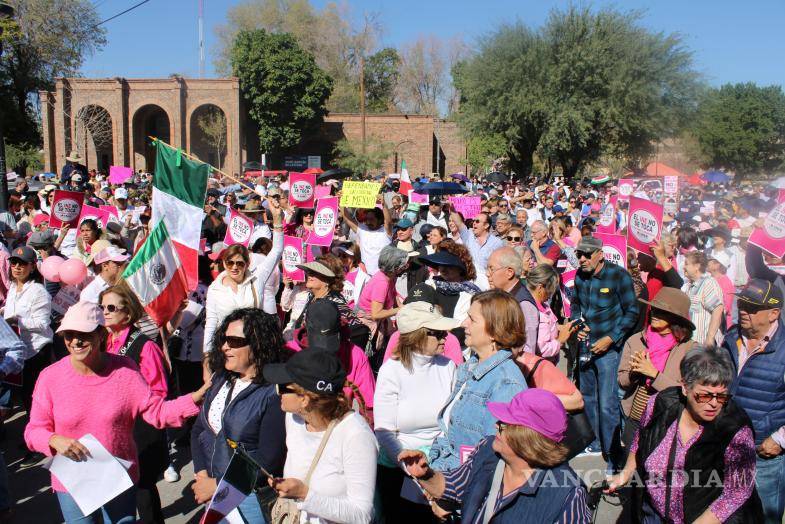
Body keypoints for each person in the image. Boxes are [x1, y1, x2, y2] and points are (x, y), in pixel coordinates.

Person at [24, 302, 209, 524]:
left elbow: (156, 412)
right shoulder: (50, 377)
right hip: (72, 482)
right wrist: (54, 440)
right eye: (69, 335)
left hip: (117, 478)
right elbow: (34, 431)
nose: (75, 341)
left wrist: (195, 398)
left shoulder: (125, 370)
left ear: (101, 334)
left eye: (83, 333)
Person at [607, 347, 763, 523]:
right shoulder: (660, 403)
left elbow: (737, 492)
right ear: (684, 387)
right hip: (653, 514)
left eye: (721, 397)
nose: (713, 404)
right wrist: (626, 473)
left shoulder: (735, 428)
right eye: (704, 396)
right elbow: (641, 439)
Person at [400, 389, 590, 523]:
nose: (495, 426)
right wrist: (425, 474)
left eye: (503, 424)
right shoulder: (488, 450)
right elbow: (456, 486)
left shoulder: (567, 494)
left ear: (527, 439)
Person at [191, 308, 286, 522]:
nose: (225, 347)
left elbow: (267, 460)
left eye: (234, 341)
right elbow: (199, 429)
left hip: (248, 497)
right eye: (224, 339)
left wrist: (217, 486)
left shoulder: (273, 392)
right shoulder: (221, 378)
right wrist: (202, 474)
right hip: (212, 488)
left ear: (258, 344)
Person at [264, 350, 378, 524]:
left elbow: (362, 515)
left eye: (282, 387)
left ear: (304, 399)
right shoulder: (294, 418)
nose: (277, 392)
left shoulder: (356, 435)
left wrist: (305, 494)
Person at [374, 301, 458, 522]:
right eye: (438, 333)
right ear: (417, 336)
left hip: (441, 465)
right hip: (400, 469)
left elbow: (452, 423)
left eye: (444, 332)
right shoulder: (392, 371)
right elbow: (383, 431)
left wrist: (435, 472)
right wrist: (411, 468)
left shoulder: (448, 367)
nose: (445, 337)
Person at [429, 290, 528, 470]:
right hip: (447, 472)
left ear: (493, 330)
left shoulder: (506, 383)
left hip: (467, 483)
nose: (464, 324)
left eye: (472, 320)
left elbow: (494, 456)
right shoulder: (469, 367)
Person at [99, 284, 171, 522]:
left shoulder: (145, 346)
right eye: (102, 307)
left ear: (127, 313)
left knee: (142, 488)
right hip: (113, 426)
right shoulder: (104, 342)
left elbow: (159, 391)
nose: (105, 312)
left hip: (141, 428)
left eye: (111, 307)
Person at [570, 236, 638, 469]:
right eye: (579, 254)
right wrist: (576, 325)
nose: (582, 259)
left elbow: (632, 312)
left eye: (587, 254)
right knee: (587, 396)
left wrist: (611, 338)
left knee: (607, 402)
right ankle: (595, 443)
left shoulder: (619, 275)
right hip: (585, 346)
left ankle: (611, 452)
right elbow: (576, 306)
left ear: (600, 254)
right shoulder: (579, 276)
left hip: (609, 349)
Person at [721, 279, 785, 523]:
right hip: (726, 446)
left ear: (774, 314)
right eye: (742, 303)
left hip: (764, 454)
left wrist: (779, 439)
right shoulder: (729, 338)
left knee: (764, 518)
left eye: (752, 307)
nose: (743, 310)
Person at [617, 287, 696, 448]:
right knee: (629, 467)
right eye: (653, 309)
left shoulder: (690, 349)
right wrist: (634, 373)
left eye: (662, 312)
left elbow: (689, 392)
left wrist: (653, 374)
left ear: (676, 318)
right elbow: (622, 381)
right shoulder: (636, 340)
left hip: (667, 422)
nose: (654, 314)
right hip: (634, 417)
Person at [204, 201, 283, 356]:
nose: (234, 267)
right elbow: (211, 324)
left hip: (255, 350)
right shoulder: (215, 287)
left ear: (247, 264)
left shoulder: (257, 279)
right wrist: (207, 356)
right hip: (226, 350)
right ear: (224, 263)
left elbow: (277, 251)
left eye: (239, 263)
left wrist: (277, 219)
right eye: (230, 262)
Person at [3, 246, 53, 446]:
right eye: (14, 263)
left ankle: (40, 443)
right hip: (18, 351)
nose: (16, 267)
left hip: (36, 351)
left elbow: (43, 324)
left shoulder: (38, 291)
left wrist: (18, 321)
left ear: (32, 267)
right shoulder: (14, 288)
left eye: (22, 264)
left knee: (34, 399)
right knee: (24, 398)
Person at [356, 246, 409, 351]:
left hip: (381, 321)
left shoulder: (390, 277)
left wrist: (400, 305)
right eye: (404, 266)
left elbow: (393, 294)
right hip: (367, 324)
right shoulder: (382, 283)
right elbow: (376, 314)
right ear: (395, 268)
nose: (406, 267)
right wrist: (400, 310)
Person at [522, 264, 577, 363]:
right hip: (541, 366)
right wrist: (560, 340)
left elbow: (548, 325)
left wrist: (561, 328)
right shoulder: (533, 312)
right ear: (540, 288)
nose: (552, 294)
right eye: (552, 289)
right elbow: (541, 349)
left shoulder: (543, 305)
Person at [448, 210, 504, 289]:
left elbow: (499, 265)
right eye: (473, 221)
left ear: (486, 225)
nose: (474, 223)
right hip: (468, 281)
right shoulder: (468, 235)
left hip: (486, 283)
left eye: (477, 221)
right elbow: (459, 223)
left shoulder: (497, 243)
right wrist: (452, 209)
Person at [683, 251, 724, 345]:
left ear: (697, 266)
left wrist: (710, 338)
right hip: (691, 343)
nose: (683, 267)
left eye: (686, 264)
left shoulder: (708, 283)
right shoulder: (689, 286)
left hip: (703, 344)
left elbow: (717, 309)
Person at [341, 202, 393, 275]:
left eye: (371, 219)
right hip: (363, 274)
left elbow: (389, 222)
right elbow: (347, 219)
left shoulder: (385, 231)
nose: (368, 222)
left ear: (380, 220)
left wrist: (384, 204)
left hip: (381, 276)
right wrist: (342, 202)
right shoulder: (362, 229)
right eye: (367, 219)